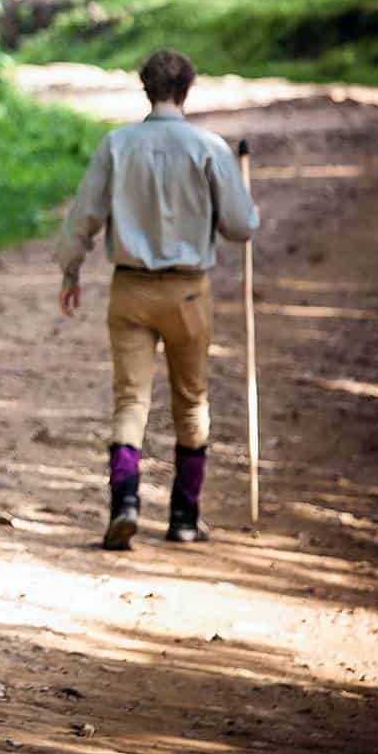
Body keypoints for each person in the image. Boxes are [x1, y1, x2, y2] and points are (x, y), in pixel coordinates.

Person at [54, 49, 259, 551]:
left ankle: (124, 504)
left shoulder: (117, 144)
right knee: (191, 401)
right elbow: (240, 226)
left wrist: (71, 269)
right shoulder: (208, 146)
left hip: (130, 289)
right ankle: (185, 516)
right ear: (187, 90)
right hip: (189, 291)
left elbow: (85, 214)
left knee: (130, 400)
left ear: (145, 89)